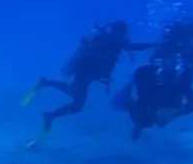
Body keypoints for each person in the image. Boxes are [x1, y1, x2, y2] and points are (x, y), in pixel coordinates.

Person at [21, 21, 153, 147]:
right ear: (117, 32)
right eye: (124, 33)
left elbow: (135, 47)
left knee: (74, 95)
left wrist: (155, 44)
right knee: (77, 104)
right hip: (84, 73)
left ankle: (47, 87)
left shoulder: (117, 42)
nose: (126, 36)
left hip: (90, 76)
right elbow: (92, 55)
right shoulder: (102, 40)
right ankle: (50, 114)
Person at [112, 19, 193, 139]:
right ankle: (136, 122)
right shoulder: (169, 48)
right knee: (145, 117)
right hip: (157, 84)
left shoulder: (189, 47)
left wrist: (173, 113)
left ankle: (140, 125)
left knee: (151, 113)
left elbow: (192, 62)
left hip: (171, 84)